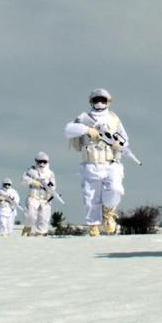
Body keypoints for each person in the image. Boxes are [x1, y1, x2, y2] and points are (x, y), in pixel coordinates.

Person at [63, 88, 132, 236]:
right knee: (90, 197)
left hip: (111, 163)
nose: (100, 103)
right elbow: (68, 130)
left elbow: (125, 140)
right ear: (91, 101)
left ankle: (108, 212)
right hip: (90, 164)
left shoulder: (114, 118)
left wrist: (119, 144)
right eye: (96, 100)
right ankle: (93, 225)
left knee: (115, 189)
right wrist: (86, 130)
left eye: (103, 100)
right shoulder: (83, 118)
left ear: (109, 102)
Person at [21, 152, 57, 236]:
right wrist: (33, 181)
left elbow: (54, 185)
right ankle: (27, 227)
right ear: (36, 161)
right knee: (31, 214)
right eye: (40, 161)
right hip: (33, 196)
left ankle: (41, 233)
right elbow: (23, 179)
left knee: (44, 217)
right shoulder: (31, 171)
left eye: (44, 162)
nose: (42, 164)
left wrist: (50, 187)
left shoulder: (50, 173)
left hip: (45, 198)